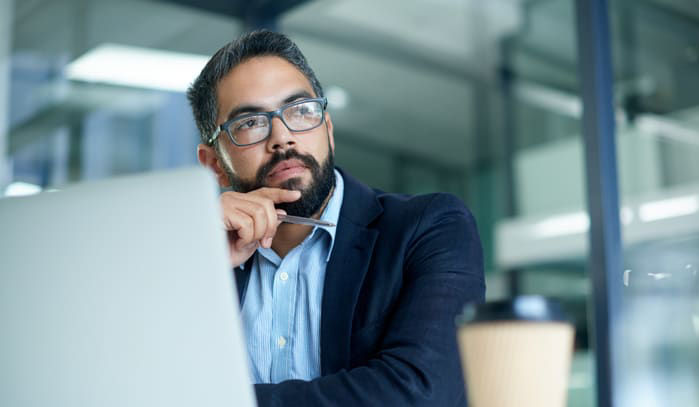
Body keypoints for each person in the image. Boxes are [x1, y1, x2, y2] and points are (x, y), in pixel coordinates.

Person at [187, 30, 485, 407]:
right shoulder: (200, 258)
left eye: (300, 111)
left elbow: (419, 394)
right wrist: (197, 258)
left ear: (327, 128)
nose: (282, 137)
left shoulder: (429, 228)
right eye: (250, 123)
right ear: (215, 165)